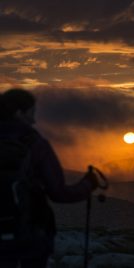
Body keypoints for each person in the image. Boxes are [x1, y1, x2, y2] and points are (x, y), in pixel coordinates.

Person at [0, 88, 99, 267]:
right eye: (32, 112)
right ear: (19, 113)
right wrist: (88, 184)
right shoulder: (35, 144)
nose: (34, 120)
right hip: (31, 232)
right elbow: (59, 193)